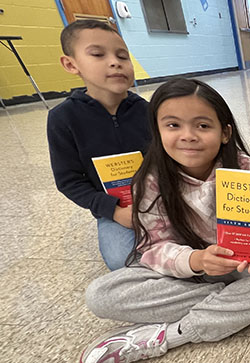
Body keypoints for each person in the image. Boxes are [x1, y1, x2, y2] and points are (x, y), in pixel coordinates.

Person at [79, 79, 250, 363]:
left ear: (225, 133)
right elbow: (152, 248)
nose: (188, 136)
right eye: (173, 125)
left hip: (239, 266)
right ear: (157, 132)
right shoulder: (150, 180)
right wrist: (195, 261)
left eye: (202, 126)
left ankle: (172, 335)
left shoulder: (244, 168)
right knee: (100, 294)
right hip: (189, 272)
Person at [47, 19, 150, 271]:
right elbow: (69, 181)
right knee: (120, 260)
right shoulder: (62, 119)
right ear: (71, 64)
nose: (115, 62)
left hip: (161, 200)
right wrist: (114, 212)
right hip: (115, 210)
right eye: (97, 54)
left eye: (122, 56)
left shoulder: (148, 111)